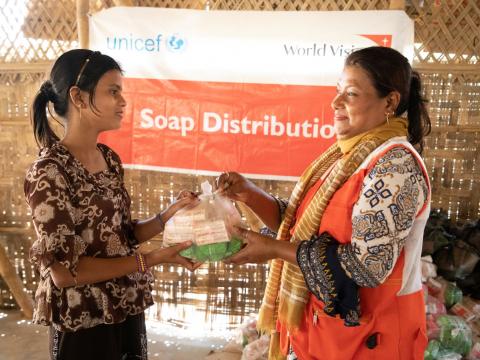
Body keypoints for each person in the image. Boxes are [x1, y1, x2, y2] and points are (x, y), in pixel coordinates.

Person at [216, 46, 431, 360]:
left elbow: (367, 267)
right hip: (325, 334)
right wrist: (250, 194)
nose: (335, 102)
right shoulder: (343, 159)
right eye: (337, 91)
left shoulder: (395, 166)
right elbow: (302, 226)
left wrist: (273, 249)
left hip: (374, 341)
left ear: (390, 101)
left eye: (351, 94)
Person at [25, 49, 200, 360]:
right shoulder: (49, 172)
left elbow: (121, 238)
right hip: (83, 320)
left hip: (124, 305)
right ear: (78, 97)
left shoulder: (108, 160)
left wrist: (168, 214)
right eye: (113, 91)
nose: (123, 102)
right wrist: (152, 260)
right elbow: (64, 273)